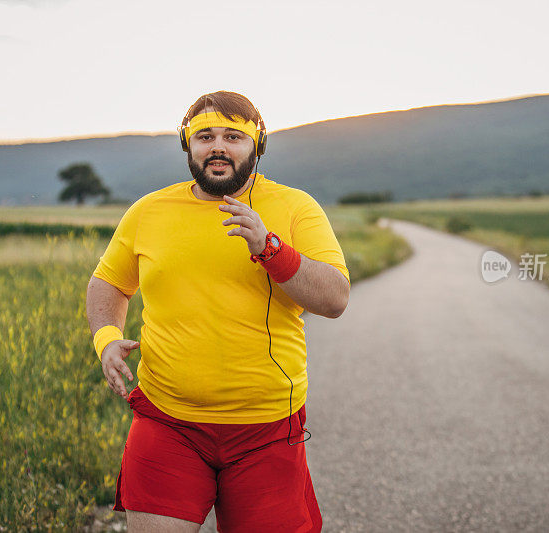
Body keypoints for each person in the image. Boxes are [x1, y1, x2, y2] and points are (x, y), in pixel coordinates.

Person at [85, 90, 350, 533]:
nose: (218, 147)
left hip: (265, 428)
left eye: (234, 135)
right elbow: (108, 283)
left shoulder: (295, 207)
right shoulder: (148, 211)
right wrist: (107, 338)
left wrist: (271, 249)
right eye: (205, 136)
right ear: (187, 144)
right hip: (167, 422)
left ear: (258, 144)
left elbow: (335, 299)